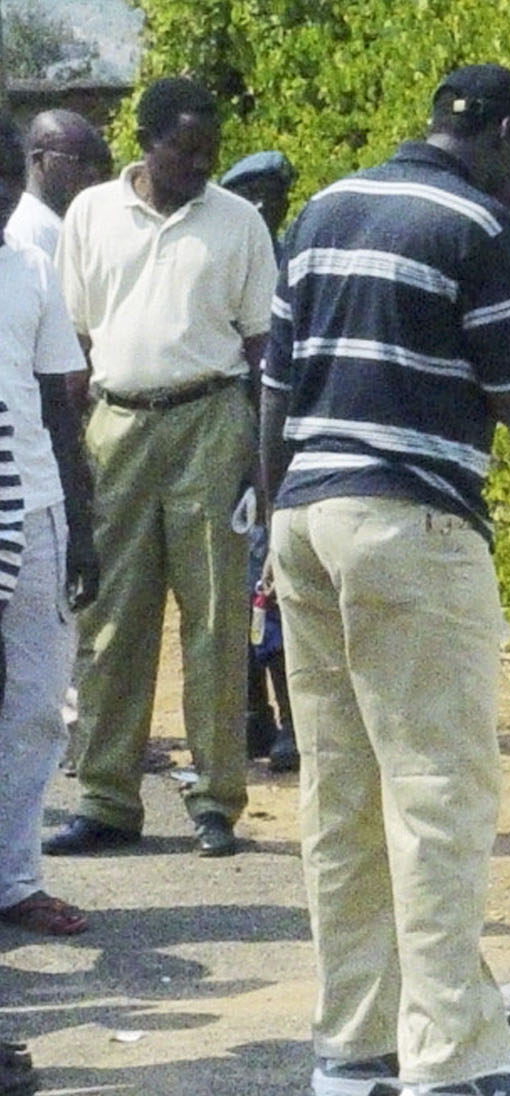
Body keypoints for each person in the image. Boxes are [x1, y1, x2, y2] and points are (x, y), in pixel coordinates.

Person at [260, 64, 510, 1096]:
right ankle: (446, 1063)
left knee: (338, 793)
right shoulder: (475, 227)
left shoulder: (324, 208)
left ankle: (352, 1044)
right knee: (436, 791)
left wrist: (270, 530)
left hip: (303, 513)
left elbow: (276, 385)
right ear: (506, 137)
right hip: (410, 522)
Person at [46, 77, 277, 859]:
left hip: (210, 419)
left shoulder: (238, 222)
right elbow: (73, 341)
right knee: (112, 621)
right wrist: (74, 453)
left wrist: (260, 459)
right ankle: (107, 798)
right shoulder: (91, 215)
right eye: (186, 149)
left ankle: (216, 801)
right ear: (145, 142)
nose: (201, 164)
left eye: (210, 150)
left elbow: (259, 347)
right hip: (116, 425)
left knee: (215, 620)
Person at [0, 118, 99, 939]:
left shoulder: (31, 267)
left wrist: (85, 528)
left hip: (34, 513)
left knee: (35, 705)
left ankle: (15, 878)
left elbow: (64, 412)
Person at [220, 149, 298, 774]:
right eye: (256, 196)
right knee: (237, 589)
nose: (267, 208)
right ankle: (252, 718)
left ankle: (289, 723)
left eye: (276, 197)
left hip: (271, 445)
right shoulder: (224, 256)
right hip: (225, 440)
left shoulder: (287, 260)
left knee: (268, 591)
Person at [3, 109, 112, 258]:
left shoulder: (56, 223)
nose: (91, 171)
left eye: (94, 162)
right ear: (39, 161)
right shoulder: (32, 229)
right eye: (77, 160)